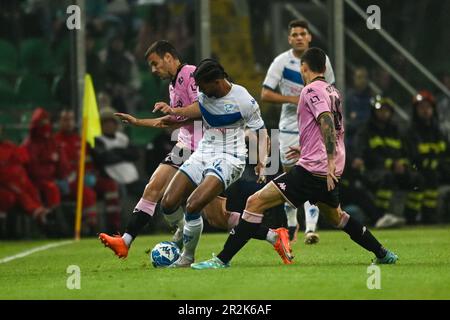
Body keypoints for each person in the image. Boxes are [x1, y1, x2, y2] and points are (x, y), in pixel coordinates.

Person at [192, 48, 398, 270]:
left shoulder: (310, 90)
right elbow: (332, 129)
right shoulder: (333, 91)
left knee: (254, 202)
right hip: (329, 167)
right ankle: (383, 253)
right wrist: (309, 149)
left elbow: (327, 121)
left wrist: (326, 161)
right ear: (325, 68)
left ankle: (222, 260)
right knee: (337, 217)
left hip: (314, 170)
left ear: (304, 67)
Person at [98, 41, 240, 258]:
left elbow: (202, 109)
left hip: (204, 149)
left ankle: (271, 234)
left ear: (168, 57)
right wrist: (138, 122)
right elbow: (173, 121)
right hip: (184, 145)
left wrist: (173, 110)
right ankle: (125, 241)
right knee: (153, 188)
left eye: (155, 63)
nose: (154, 70)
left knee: (217, 216)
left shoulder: (191, 74)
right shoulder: (173, 85)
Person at [155, 58, 285, 268]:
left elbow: (262, 134)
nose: (200, 91)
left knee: (194, 204)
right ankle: (271, 235)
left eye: (203, 86)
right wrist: (173, 111)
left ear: (216, 81)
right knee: (168, 203)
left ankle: (187, 258)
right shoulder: (204, 93)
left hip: (230, 157)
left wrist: (262, 161)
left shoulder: (243, 100)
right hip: (204, 151)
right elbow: (194, 110)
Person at [261, 20, 335, 244]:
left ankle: (311, 228)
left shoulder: (322, 60)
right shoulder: (281, 62)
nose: (299, 37)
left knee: (311, 173)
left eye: (303, 33)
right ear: (289, 38)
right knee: (292, 176)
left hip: (314, 125)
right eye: (295, 34)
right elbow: (265, 94)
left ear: (310, 37)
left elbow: (330, 90)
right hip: (289, 127)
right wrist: (295, 99)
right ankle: (293, 222)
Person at [406, 90, 450, 223]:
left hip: (440, 171)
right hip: (420, 171)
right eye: (421, 107)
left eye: (428, 107)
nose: (425, 111)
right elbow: (413, 157)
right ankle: (419, 217)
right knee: (429, 175)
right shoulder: (411, 132)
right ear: (416, 110)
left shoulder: (439, 132)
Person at [55, 110, 98, 231]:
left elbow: (88, 163)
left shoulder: (80, 140)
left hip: (81, 178)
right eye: (65, 120)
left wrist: (89, 173)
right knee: (87, 193)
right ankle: (90, 225)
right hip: (65, 180)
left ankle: (90, 224)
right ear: (60, 122)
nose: (68, 123)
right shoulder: (55, 141)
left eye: (70, 119)